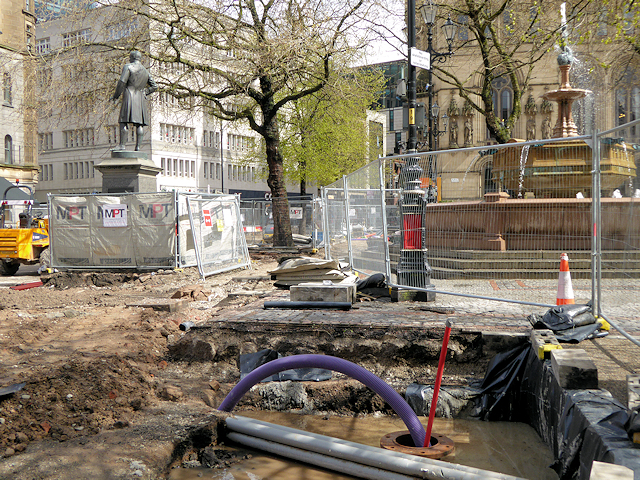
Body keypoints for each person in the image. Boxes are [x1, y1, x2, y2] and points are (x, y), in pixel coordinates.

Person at [111, 51, 157, 151]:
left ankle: (122, 145)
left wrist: (116, 95)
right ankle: (138, 147)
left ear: (131, 58)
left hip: (129, 96)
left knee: (124, 121)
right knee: (139, 124)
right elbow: (154, 86)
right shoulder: (145, 71)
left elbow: (122, 81)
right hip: (140, 98)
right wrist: (145, 92)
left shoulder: (128, 67)